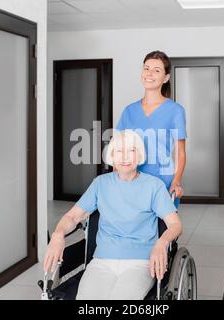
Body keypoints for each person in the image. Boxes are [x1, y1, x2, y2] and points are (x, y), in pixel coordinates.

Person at [44, 130, 183, 300]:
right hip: (102, 261)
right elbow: (72, 217)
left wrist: (162, 242)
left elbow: (175, 225)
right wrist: (58, 234)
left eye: (131, 150)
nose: (124, 157)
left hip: (140, 263)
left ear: (139, 155)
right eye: (119, 151)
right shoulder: (100, 184)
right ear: (112, 156)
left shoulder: (154, 186)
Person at [116, 51, 187, 208]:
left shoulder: (175, 110)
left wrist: (176, 181)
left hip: (163, 182)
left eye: (156, 70)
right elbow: (117, 148)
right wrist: (117, 180)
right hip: (132, 180)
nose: (149, 73)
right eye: (146, 68)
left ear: (166, 78)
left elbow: (180, 153)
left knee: (163, 229)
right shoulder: (129, 111)